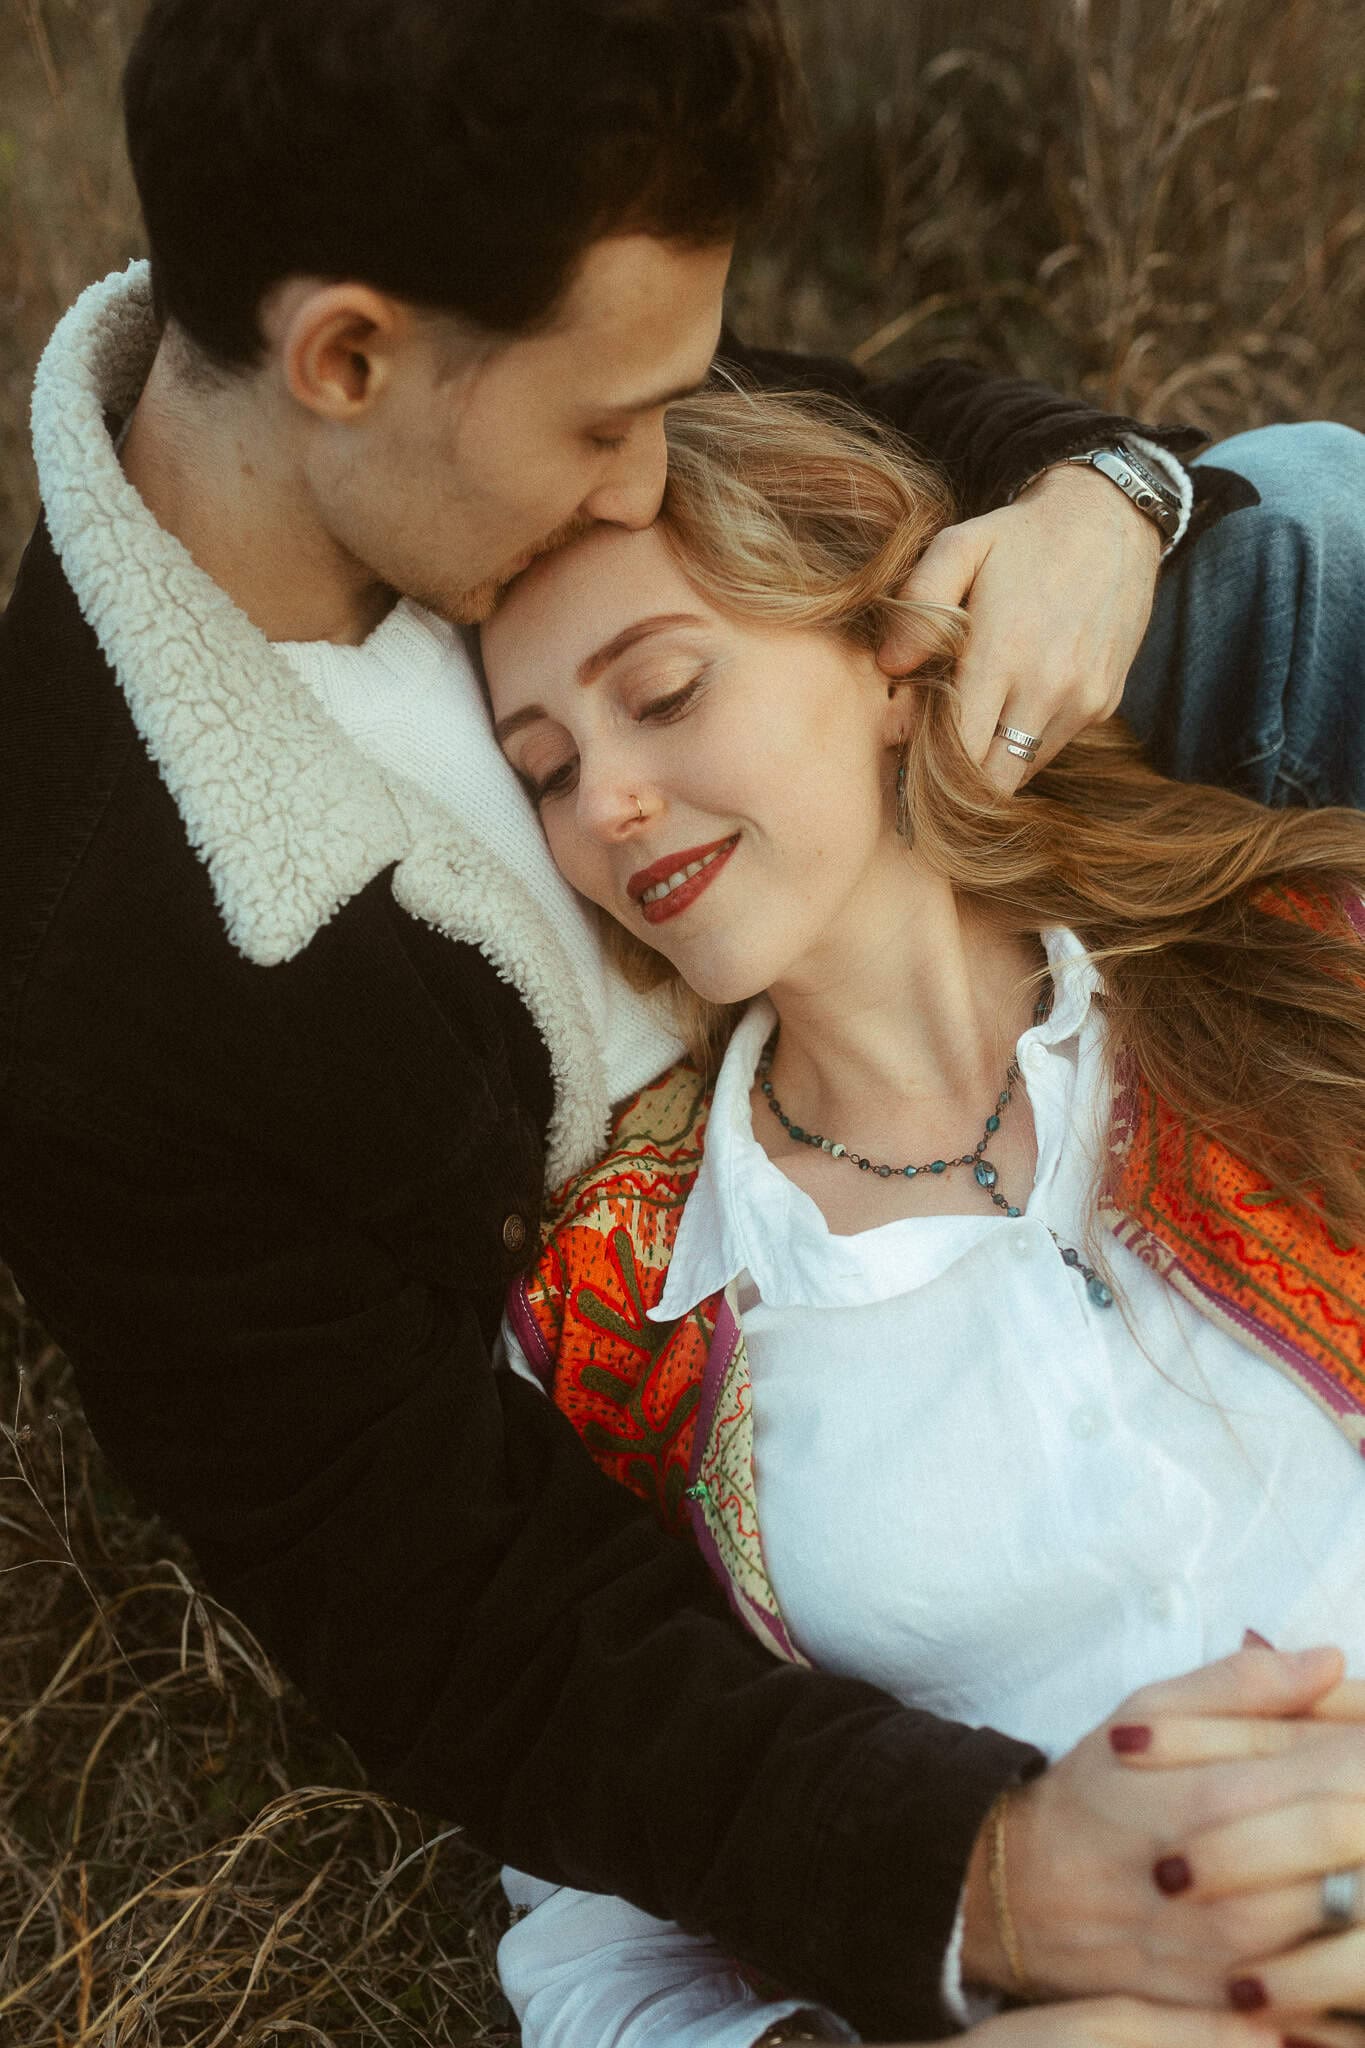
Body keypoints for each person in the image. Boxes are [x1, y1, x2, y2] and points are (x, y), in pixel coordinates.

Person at [1, 0, 1363, 2035]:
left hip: (1043, 877)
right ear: (345, 359)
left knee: (1318, 510)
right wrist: (979, 1874)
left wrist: (1101, 495)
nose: (649, 450)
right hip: (809, 1331)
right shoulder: (107, 979)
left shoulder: (527, 339)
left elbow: (857, 458)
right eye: (602, 424)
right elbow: (451, 1606)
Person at [480, 386, 1365, 2047]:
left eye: (663, 693)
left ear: (890, 660)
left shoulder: (1306, 957)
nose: (607, 803)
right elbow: (597, 1914)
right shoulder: (623, 1308)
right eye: (544, 770)